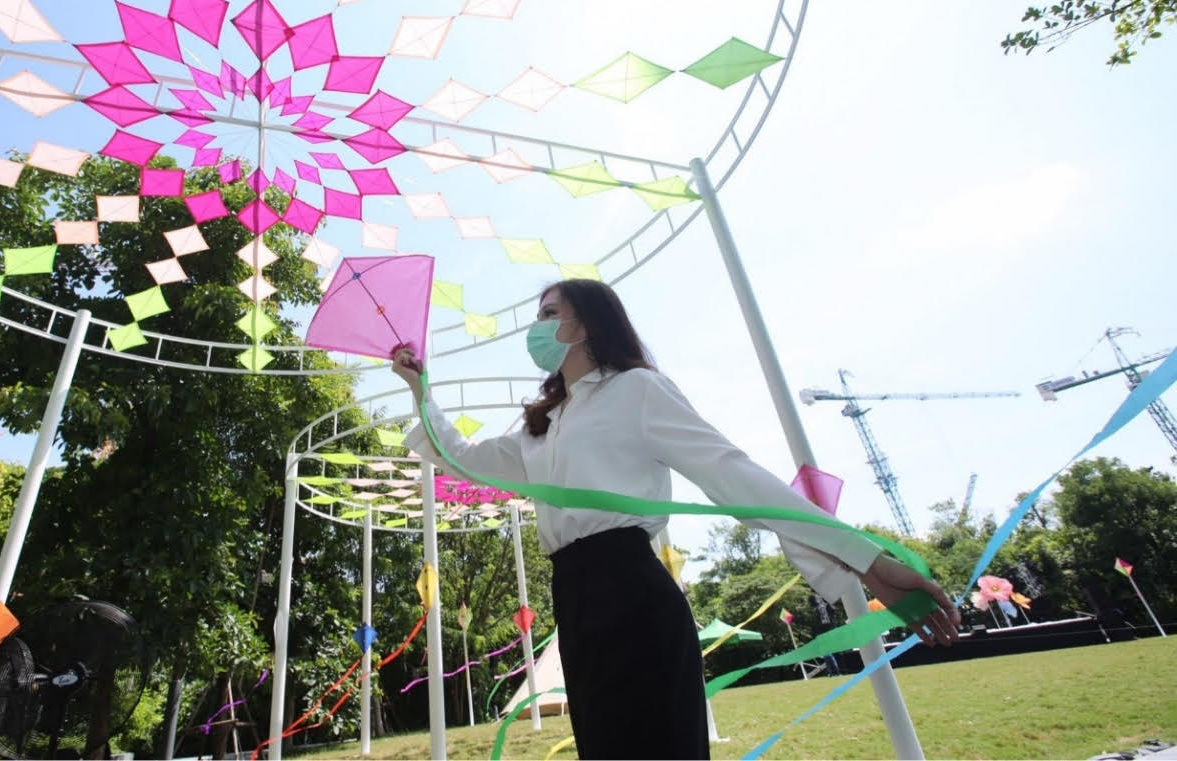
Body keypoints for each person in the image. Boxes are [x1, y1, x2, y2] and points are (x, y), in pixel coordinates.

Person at [392, 279, 960, 760]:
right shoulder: (541, 424)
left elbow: (732, 473)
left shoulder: (635, 390)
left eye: (548, 315)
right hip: (575, 602)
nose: (535, 330)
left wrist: (867, 560)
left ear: (587, 325)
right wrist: (421, 391)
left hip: (633, 595)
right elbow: (460, 457)